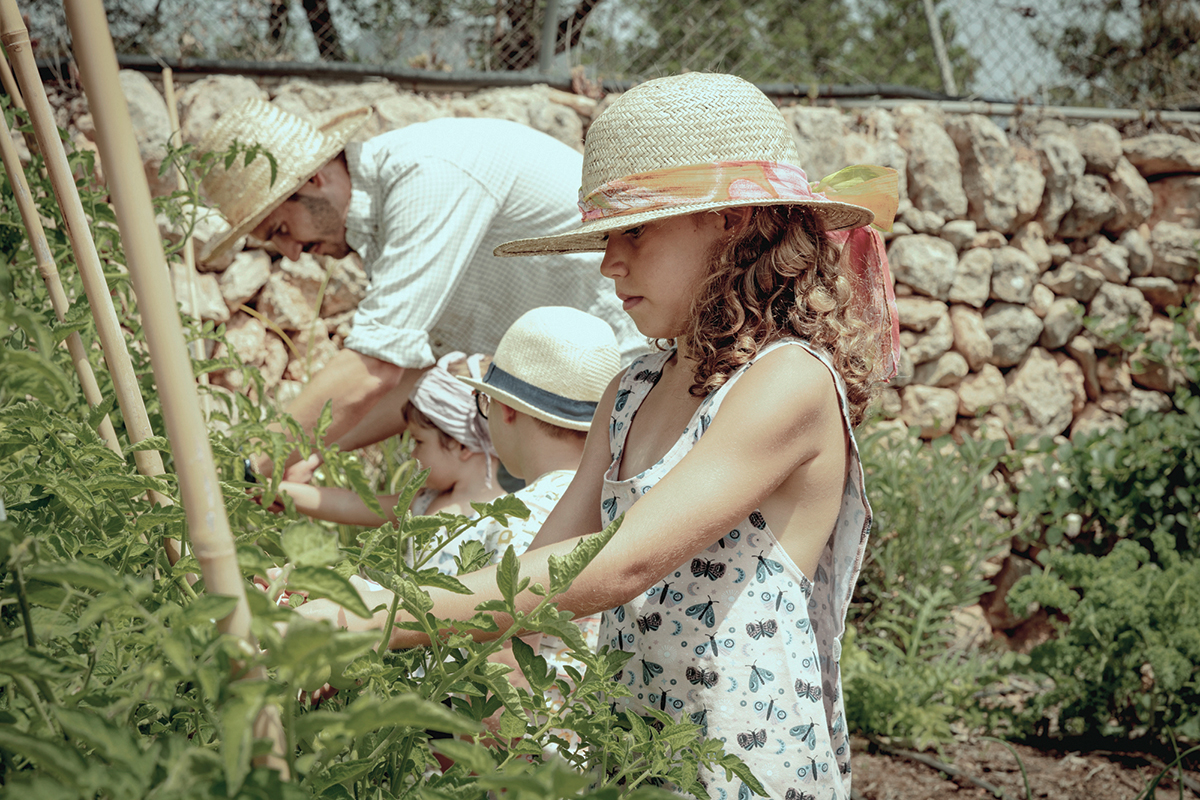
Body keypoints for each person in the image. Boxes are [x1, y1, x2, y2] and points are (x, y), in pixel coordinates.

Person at [297, 72, 901, 799]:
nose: (609, 261)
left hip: (743, 771)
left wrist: (377, 617)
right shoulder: (632, 388)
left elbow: (620, 565)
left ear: (733, 222)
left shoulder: (786, 383)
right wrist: (439, 686)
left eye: (634, 232)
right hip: (631, 755)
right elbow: (541, 568)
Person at [198, 101, 646, 479]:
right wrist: (307, 456)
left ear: (312, 179)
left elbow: (375, 365)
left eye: (280, 228)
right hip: (560, 401)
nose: (291, 254)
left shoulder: (426, 178)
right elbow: (415, 373)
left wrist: (256, 465)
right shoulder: (384, 216)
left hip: (624, 372)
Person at [274, 353, 503, 567]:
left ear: (461, 444)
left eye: (419, 442)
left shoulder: (504, 522)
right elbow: (349, 505)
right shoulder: (424, 502)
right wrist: (273, 488)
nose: (413, 455)